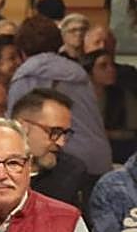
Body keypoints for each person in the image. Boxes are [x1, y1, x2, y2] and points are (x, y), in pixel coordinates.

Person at [8, 16, 111, 178]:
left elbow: (14, 129)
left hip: (65, 164)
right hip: (100, 160)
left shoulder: (26, 76)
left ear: (21, 50)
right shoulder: (78, 73)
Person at [84, 49, 137, 163]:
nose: (111, 70)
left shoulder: (123, 95)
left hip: (118, 146)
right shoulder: (79, 97)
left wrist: (109, 134)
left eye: (112, 65)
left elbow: (133, 131)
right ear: (89, 71)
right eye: (103, 66)